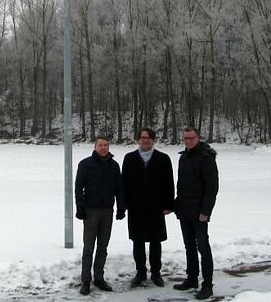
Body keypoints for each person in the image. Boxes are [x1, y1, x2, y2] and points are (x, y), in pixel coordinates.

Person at [121, 128, 175, 288]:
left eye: (148, 138)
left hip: (156, 207)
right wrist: (124, 204)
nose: (145, 140)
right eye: (142, 138)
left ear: (153, 140)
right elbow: (124, 183)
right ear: (138, 140)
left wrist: (168, 205)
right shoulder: (129, 158)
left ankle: (156, 272)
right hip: (136, 207)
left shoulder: (163, 159)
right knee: (137, 241)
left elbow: (169, 184)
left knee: (155, 241)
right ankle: (140, 272)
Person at [75, 136, 125, 295]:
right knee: (88, 248)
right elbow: (78, 188)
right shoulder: (86, 164)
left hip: (107, 211)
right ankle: (86, 280)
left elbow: (119, 189)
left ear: (109, 147)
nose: (103, 148)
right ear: (95, 147)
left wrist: (121, 208)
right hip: (90, 212)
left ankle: (99, 277)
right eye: (100, 145)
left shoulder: (114, 165)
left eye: (106, 145)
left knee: (103, 247)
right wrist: (80, 208)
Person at [173, 127, 219, 300]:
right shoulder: (183, 157)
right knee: (189, 247)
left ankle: (207, 284)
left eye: (191, 138)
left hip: (200, 213)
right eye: (185, 138)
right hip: (185, 211)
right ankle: (191, 278)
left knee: (203, 248)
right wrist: (176, 205)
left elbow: (211, 188)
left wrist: (206, 211)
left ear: (198, 138)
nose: (188, 141)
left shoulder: (206, 158)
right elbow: (182, 186)